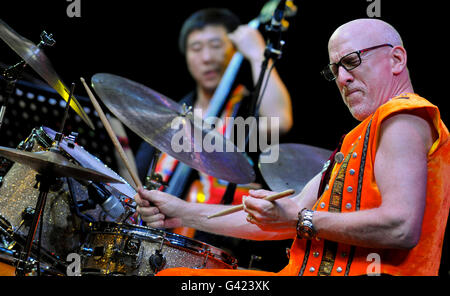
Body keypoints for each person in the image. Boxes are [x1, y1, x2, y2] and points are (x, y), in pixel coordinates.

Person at [134, 18, 450, 276]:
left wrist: (303, 219)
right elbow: (284, 218)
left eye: (351, 61)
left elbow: (401, 226)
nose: (342, 78)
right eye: (335, 69)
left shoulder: (402, 115)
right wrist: (182, 213)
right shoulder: (359, 136)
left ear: (396, 59)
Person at [127, 8, 293, 270]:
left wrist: (256, 52)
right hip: (157, 248)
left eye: (216, 46)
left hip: (220, 255)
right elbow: (138, 184)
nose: (206, 57)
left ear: (234, 50)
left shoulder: (247, 109)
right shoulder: (171, 114)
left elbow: (281, 119)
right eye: (196, 48)